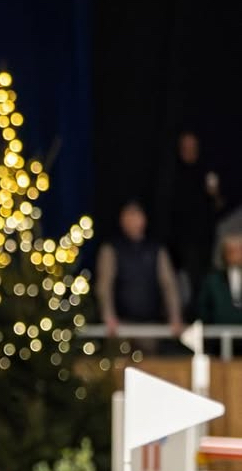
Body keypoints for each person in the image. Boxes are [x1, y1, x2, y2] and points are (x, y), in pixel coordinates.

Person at [95, 201, 184, 347]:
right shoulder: (110, 249)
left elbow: (169, 284)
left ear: (144, 219)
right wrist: (108, 316)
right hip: (120, 326)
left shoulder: (156, 249)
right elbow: (104, 285)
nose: (131, 221)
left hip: (150, 325)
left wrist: (175, 317)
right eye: (127, 216)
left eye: (135, 215)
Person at [167, 131, 224, 316]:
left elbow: (220, 206)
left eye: (192, 146)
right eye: (185, 146)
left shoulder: (207, 172)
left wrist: (214, 194)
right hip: (183, 242)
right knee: (189, 285)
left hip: (207, 240)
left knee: (208, 282)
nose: (189, 150)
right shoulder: (172, 174)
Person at [198, 233, 242, 326]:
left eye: (239, 250)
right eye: (231, 251)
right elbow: (204, 309)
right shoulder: (213, 280)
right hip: (219, 333)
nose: (236, 255)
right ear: (224, 254)